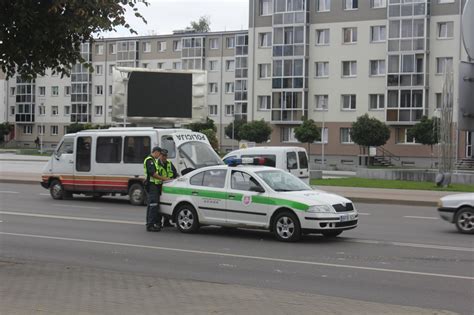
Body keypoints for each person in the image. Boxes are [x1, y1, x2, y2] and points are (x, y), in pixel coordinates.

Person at [143, 146, 170, 232]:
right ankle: (150, 225)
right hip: (152, 185)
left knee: (151, 205)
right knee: (153, 205)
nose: (159, 156)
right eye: (159, 154)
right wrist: (164, 178)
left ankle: (150, 223)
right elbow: (153, 174)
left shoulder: (153, 160)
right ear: (156, 152)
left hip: (154, 185)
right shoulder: (149, 160)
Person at [157, 148, 178, 227]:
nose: (164, 157)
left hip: (169, 187)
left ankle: (166, 222)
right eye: (163, 156)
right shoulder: (157, 164)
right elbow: (156, 175)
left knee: (167, 204)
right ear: (160, 156)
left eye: (165, 156)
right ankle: (158, 222)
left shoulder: (169, 163)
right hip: (160, 187)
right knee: (159, 206)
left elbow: (175, 173)